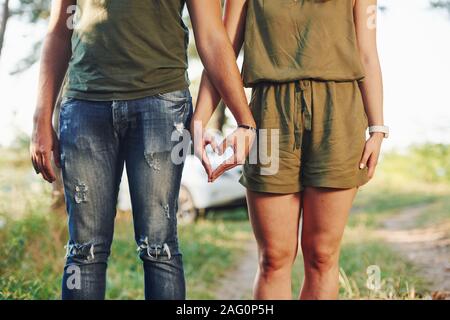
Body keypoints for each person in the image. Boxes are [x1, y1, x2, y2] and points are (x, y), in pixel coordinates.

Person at [30, 0, 255, 300]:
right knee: (84, 251)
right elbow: (59, 30)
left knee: (159, 247)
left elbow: (213, 35)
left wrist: (244, 120)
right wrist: (40, 118)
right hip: (85, 104)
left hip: (161, 105)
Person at [194, 0, 388, 299]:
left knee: (322, 255)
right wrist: (201, 121)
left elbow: (366, 54)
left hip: (338, 117)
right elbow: (223, 53)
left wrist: (377, 128)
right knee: (273, 257)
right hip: (268, 117)